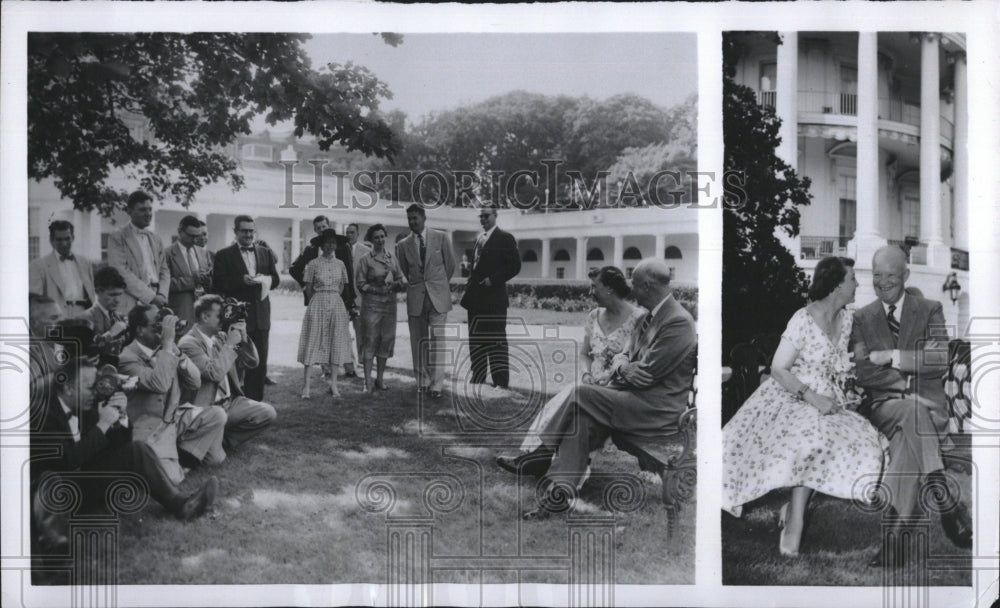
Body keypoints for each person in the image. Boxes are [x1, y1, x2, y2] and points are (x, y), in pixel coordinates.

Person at [722, 256, 886, 556]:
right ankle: (794, 523)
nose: (857, 285)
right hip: (792, 394)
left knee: (866, 441)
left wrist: (848, 390)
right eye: (852, 279)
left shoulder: (847, 319)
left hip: (829, 398)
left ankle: (791, 511)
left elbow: (840, 366)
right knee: (810, 441)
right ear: (837, 285)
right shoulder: (803, 319)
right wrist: (814, 398)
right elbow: (778, 369)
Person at [518, 258, 697, 520]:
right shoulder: (647, 317)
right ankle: (558, 495)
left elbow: (644, 377)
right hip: (629, 399)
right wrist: (623, 366)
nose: (630, 290)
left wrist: (622, 367)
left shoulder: (678, 322)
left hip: (655, 410)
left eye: (633, 284)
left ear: (647, 285)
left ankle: (541, 451)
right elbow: (622, 357)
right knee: (581, 420)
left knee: (579, 392)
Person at [852, 245, 973, 566]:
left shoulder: (930, 308)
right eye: (876, 276)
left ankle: (893, 544)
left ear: (905, 275)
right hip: (884, 408)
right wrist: (907, 383)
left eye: (890, 275)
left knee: (909, 437)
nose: (882, 283)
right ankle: (945, 498)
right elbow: (864, 371)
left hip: (925, 414)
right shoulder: (862, 318)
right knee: (910, 411)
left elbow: (940, 358)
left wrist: (892, 357)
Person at [31, 357, 217, 556]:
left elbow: (118, 447)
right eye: (90, 387)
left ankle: (181, 504)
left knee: (136, 450)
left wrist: (121, 417)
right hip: (56, 492)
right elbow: (65, 463)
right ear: (68, 388)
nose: (96, 392)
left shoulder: (85, 402)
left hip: (84, 482)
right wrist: (102, 425)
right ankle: (55, 544)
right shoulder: (44, 415)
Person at [497, 267, 645, 468]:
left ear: (610, 289)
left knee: (572, 395)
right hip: (591, 385)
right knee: (567, 401)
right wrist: (586, 374)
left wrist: (612, 377)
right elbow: (585, 353)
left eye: (594, 287)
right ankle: (544, 459)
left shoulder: (638, 318)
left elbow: (637, 362)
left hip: (617, 389)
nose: (590, 292)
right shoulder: (594, 315)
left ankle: (540, 457)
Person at [118, 303, 228, 480]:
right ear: (139, 330)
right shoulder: (127, 358)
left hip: (173, 418)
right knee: (173, 479)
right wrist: (168, 344)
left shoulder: (166, 349)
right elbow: (159, 384)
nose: (162, 329)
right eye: (157, 325)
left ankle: (181, 457)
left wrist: (176, 351)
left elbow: (194, 382)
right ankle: (171, 460)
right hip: (149, 427)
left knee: (217, 422)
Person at [179, 295, 277, 451]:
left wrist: (243, 339)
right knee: (214, 460)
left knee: (267, 412)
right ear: (205, 316)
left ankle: (224, 442)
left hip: (229, 403)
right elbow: (213, 374)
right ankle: (209, 439)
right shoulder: (188, 343)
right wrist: (230, 345)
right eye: (220, 315)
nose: (224, 319)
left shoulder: (221, 338)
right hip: (207, 409)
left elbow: (252, 362)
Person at [211, 215, 280, 401]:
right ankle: (231, 403)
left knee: (259, 364)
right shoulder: (224, 255)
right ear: (236, 232)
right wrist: (240, 281)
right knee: (232, 363)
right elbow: (218, 283)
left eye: (251, 230)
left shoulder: (265, 252)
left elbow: (276, 279)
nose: (249, 234)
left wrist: (265, 280)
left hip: (261, 317)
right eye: (244, 231)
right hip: (236, 318)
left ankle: (255, 405)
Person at [396, 204, 455, 397]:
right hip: (416, 298)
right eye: (409, 219)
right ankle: (422, 381)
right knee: (418, 341)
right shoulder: (403, 245)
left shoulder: (441, 237)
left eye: (415, 218)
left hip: (438, 297)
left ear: (424, 218)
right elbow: (406, 270)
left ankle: (437, 385)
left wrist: (437, 286)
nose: (412, 222)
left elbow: (450, 266)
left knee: (438, 341)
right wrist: (419, 286)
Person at [460, 206, 522, 389]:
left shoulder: (505, 238)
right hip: (475, 300)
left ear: (496, 216)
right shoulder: (479, 238)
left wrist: (493, 280)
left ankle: (500, 381)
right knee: (476, 340)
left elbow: (515, 266)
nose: (483, 219)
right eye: (481, 216)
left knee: (496, 340)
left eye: (486, 216)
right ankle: (478, 376)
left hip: (494, 299)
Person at [289, 216, 358, 379]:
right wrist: (306, 284)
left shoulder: (341, 248)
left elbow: (348, 273)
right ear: (315, 230)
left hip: (338, 298)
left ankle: (349, 367)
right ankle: (326, 368)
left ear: (329, 226)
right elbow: (294, 268)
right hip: (318, 299)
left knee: (341, 333)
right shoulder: (310, 250)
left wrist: (349, 300)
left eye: (324, 226)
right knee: (320, 332)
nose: (321, 229)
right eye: (318, 227)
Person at [297, 229, 353, 399]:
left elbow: (343, 285)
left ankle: (334, 385)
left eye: (333, 243)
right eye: (327, 242)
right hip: (318, 302)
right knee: (313, 340)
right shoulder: (313, 263)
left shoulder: (341, 264)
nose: (330, 245)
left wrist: (334, 296)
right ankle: (306, 386)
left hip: (336, 303)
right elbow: (307, 287)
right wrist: (315, 302)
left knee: (335, 342)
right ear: (321, 244)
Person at [355, 224, 405, 393]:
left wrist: (397, 284)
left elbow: (400, 279)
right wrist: (377, 289)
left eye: (382, 236)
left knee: (386, 340)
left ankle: (380, 379)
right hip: (371, 305)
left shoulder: (392, 258)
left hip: (390, 306)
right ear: (371, 239)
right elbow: (361, 284)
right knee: (370, 340)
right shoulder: (365, 259)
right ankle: (367, 381)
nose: (380, 240)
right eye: (376, 237)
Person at [107, 190, 171, 315]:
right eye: (142, 210)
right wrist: (150, 297)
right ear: (129, 211)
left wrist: (162, 294)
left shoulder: (155, 238)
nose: (148, 214)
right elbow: (120, 271)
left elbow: (164, 270)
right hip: (131, 300)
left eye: (149, 209)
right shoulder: (118, 237)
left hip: (157, 301)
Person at [29, 220, 96, 318]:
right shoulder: (38, 266)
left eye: (67, 238)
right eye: (59, 239)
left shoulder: (85, 263)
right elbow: (36, 300)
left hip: (84, 314)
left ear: (73, 238)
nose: (64, 243)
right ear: (51, 240)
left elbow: (92, 294)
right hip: (56, 316)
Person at [78, 266, 129, 366]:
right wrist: (110, 334)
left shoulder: (120, 317)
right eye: (112, 295)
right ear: (97, 291)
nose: (117, 300)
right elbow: (86, 355)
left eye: (120, 294)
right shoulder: (84, 319)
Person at [166, 215, 212, 324]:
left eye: (197, 235)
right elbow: (164, 284)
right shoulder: (167, 254)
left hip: (203, 315)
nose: (195, 240)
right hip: (181, 314)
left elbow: (209, 282)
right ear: (180, 232)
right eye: (191, 236)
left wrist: (207, 280)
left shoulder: (203, 252)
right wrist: (191, 281)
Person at [345, 222, 372, 378]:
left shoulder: (366, 252)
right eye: (347, 232)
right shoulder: (340, 250)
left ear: (358, 233)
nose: (349, 235)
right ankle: (349, 364)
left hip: (361, 298)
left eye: (352, 232)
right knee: (344, 332)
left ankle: (363, 361)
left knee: (361, 332)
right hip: (345, 299)